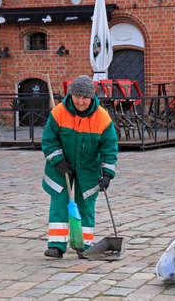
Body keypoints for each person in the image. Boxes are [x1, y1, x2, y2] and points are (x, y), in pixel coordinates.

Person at [41, 75, 118, 259]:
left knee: (85, 204)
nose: (81, 101)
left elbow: (109, 148)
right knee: (60, 203)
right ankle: (56, 246)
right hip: (61, 165)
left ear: (92, 97)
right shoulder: (58, 113)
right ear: (71, 95)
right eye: (77, 97)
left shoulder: (102, 118)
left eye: (85, 98)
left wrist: (107, 174)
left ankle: (84, 246)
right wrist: (58, 160)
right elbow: (49, 140)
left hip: (88, 166)